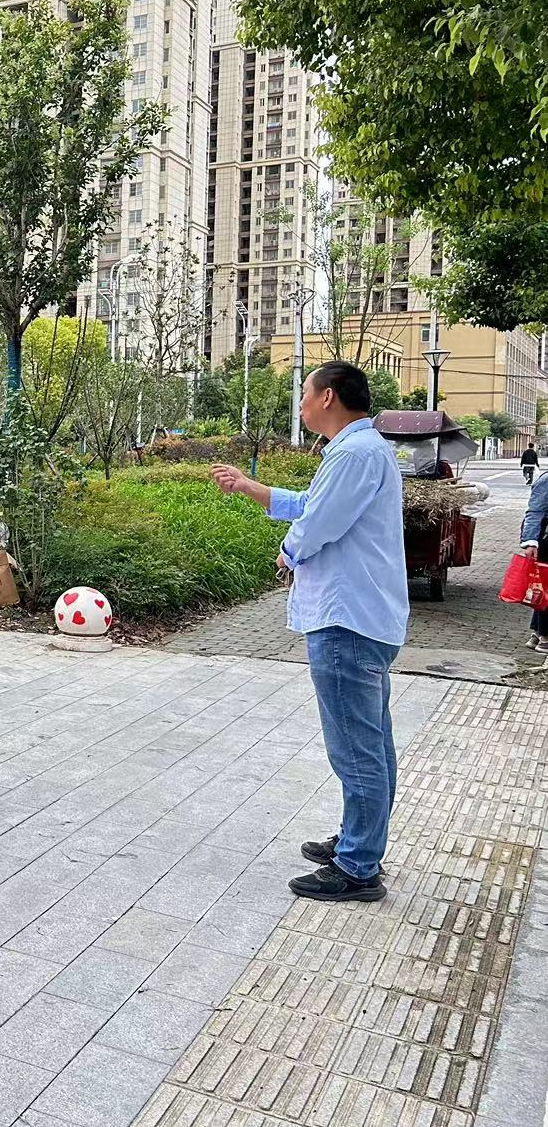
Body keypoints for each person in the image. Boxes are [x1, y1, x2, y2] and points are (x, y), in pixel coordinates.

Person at [213, 361, 407, 902]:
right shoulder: (359, 452)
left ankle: (358, 865)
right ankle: (357, 839)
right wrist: (250, 487)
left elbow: (317, 525)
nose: (300, 403)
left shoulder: (353, 453)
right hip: (362, 617)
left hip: (346, 621)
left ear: (327, 397)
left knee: (356, 748)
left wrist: (288, 552)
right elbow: (312, 506)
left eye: (304, 392)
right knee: (370, 743)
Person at [519, 466, 548, 651]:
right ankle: (545, 638)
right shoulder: (546, 480)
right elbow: (534, 511)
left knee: (542, 589)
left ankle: (537, 634)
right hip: (546, 540)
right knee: (545, 589)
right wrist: (530, 542)